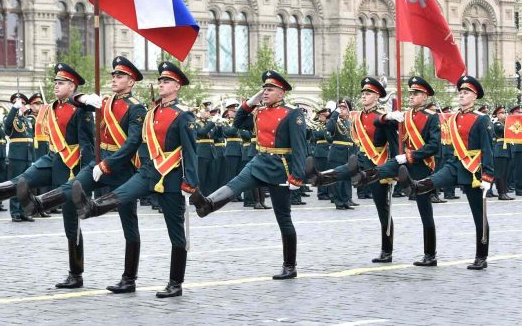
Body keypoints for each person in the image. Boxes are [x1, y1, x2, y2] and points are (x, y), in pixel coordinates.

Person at [18, 56, 147, 293]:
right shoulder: (105, 102)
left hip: (123, 168)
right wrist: (84, 97)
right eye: (113, 75)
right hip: (100, 162)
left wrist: (108, 164)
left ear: (131, 81)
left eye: (119, 76)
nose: (114, 79)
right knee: (75, 185)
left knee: (129, 223)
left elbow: (132, 143)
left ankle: (129, 278)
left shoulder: (136, 107)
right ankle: (39, 204)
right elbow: (76, 100)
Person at [72, 61, 197, 298]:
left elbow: (191, 153)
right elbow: (141, 143)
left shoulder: (183, 115)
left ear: (177, 86)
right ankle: (91, 207)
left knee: (176, 233)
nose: (161, 84)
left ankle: (175, 283)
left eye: (167, 81)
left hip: (170, 176)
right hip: (149, 171)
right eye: (160, 81)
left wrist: (190, 182)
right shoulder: (151, 113)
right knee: (123, 193)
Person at [0, 63, 94, 288]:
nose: (56, 86)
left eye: (61, 83)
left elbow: (87, 145)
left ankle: (76, 273)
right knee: (24, 180)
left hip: (70, 165)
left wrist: (83, 175)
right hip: (52, 157)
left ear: (73, 86)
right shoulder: (51, 108)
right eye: (55, 82)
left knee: (71, 223)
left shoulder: (80, 109)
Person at [190, 70, 306, 280]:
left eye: (270, 89)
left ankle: (290, 265)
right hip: (259, 161)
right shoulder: (259, 112)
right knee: (236, 183)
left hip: (280, 166)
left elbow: (300, 147)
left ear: (281, 92)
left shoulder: (292, 114)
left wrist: (297, 176)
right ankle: (207, 204)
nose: (265, 92)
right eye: (264, 89)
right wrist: (249, 103)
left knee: (283, 218)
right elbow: (237, 122)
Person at [399, 75, 494, 270]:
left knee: (479, 215)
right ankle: (414, 186)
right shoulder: (453, 118)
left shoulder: (481, 119)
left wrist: (487, 176)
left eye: (466, 92)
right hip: (455, 164)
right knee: (431, 181)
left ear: (474, 96)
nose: (461, 95)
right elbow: (449, 146)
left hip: (473, 169)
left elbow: (488, 149)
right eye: (460, 92)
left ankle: (481, 256)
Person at [308, 77, 399, 262]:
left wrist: (394, 170)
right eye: (363, 93)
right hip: (362, 157)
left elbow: (395, 145)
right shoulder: (357, 117)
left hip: (378, 163)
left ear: (376, 96)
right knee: (344, 169)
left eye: (368, 93)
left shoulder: (384, 118)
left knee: (383, 210)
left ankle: (386, 250)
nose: (364, 96)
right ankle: (319, 178)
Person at [377, 77, 441, 266]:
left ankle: (430, 255)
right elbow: (377, 125)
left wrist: (411, 156)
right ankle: (360, 176)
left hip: (421, 165)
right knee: (379, 171)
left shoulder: (432, 117)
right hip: (403, 161)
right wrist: (387, 116)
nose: (411, 96)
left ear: (425, 96)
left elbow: (433, 146)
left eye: (416, 94)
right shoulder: (403, 115)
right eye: (411, 93)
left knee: (425, 211)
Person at [4, 93, 35, 222]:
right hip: (17, 157)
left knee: (27, 185)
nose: (22, 106)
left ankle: (25, 211)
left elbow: (31, 139)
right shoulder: (11, 118)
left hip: (28, 156)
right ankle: (15, 212)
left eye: (23, 104)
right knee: (16, 185)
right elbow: (7, 127)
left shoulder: (27, 120)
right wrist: (13, 109)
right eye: (19, 104)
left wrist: (32, 158)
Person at [492, 107, 512, 201]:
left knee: (505, 173)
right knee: (500, 173)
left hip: (506, 150)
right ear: (497, 115)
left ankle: (504, 192)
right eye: (502, 113)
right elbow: (504, 130)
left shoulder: (506, 124)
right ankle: (501, 193)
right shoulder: (496, 124)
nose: (504, 114)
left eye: (505, 112)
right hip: (500, 151)